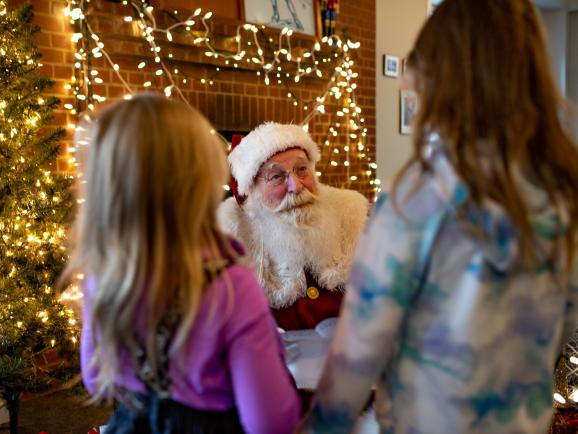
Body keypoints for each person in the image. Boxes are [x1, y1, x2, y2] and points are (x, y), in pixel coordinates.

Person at [300, 0, 578, 433]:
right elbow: (568, 325)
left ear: (438, 78)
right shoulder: (564, 191)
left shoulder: (415, 197)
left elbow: (359, 352)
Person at [64, 94, 300, 434]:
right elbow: (269, 422)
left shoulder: (104, 274)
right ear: (199, 180)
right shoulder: (231, 285)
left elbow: (97, 377)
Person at [218, 122, 369, 333]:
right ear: (251, 191)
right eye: (276, 176)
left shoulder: (351, 220)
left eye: (302, 169)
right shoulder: (233, 242)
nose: (296, 186)